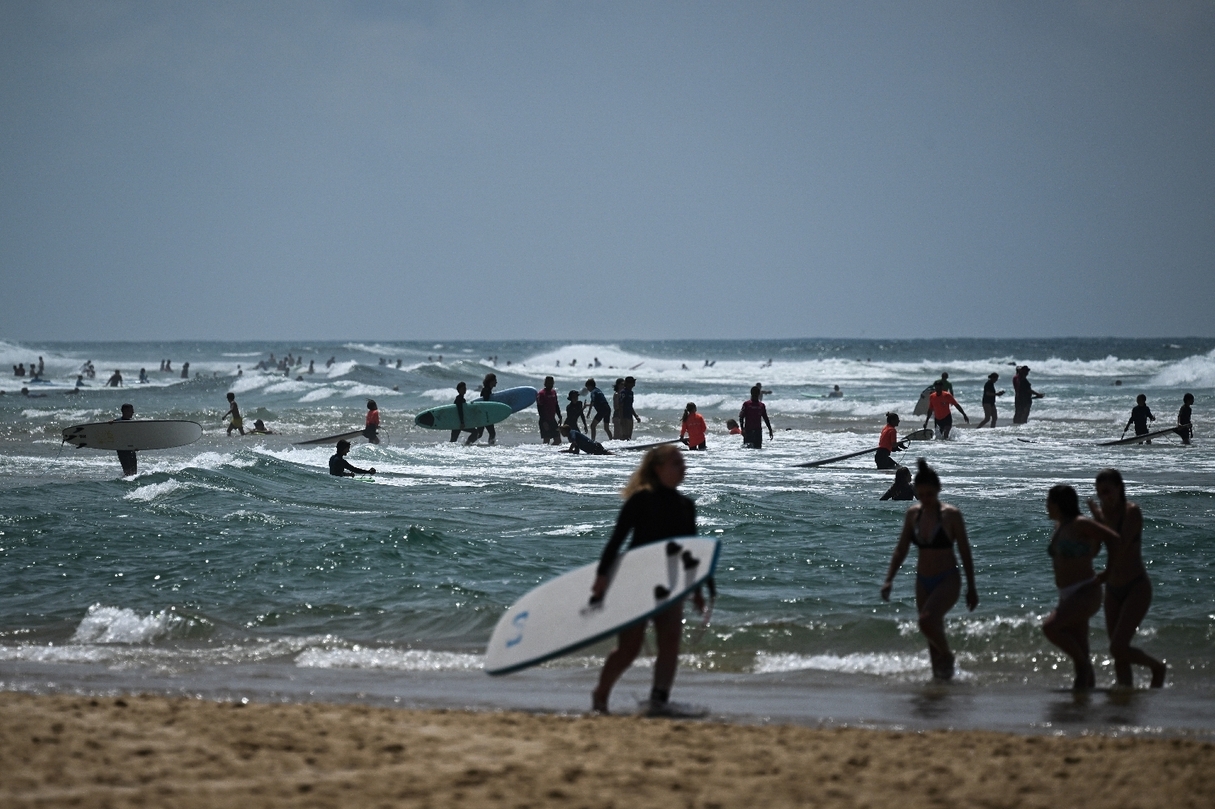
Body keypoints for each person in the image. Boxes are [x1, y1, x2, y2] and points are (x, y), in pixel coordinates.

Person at [591, 445, 704, 713]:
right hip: (635, 580)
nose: (683, 467)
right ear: (658, 468)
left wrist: (698, 588)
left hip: (668, 581)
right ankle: (601, 693)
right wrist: (602, 576)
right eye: (676, 463)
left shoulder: (685, 506)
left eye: (683, 462)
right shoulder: (641, 500)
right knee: (629, 648)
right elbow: (617, 540)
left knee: (670, 641)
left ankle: (658, 701)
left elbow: (692, 551)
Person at [880, 459, 978, 680]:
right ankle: (941, 681)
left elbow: (965, 552)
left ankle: (948, 656)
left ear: (938, 490)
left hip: (947, 579)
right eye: (921, 495)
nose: (925, 500)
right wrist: (889, 580)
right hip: (922, 580)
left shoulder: (952, 515)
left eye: (929, 495)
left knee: (926, 621)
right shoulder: (913, 515)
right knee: (932, 630)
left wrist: (972, 587)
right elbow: (901, 550)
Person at [1087, 469, 1167, 688]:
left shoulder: (1132, 512)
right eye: (1100, 493)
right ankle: (1124, 699)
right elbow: (1094, 551)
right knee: (1118, 653)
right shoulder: (1103, 515)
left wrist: (1099, 522)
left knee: (1118, 647)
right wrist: (1093, 527)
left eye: (1108, 491)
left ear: (1119, 488)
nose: (1104, 497)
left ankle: (1157, 668)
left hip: (1136, 587)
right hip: (1113, 589)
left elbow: (1119, 546)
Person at [1041, 484, 1120, 689]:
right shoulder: (1060, 526)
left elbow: (1113, 539)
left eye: (1048, 501)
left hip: (1086, 591)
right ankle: (1083, 704)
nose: (1046, 506)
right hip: (1067, 594)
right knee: (1081, 649)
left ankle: (1083, 666)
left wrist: (1108, 572)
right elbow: (1090, 551)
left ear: (1058, 504)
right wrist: (1100, 521)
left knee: (1050, 628)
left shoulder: (1079, 523)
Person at [469, 374, 498, 446]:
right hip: (485, 415)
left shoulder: (487, 390)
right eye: (495, 380)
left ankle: (467, 443)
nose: (496, 382)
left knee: (479, 433)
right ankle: (491, 446)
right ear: (491, 381)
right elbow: (485, 403)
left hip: (483, 415)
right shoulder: (486, 390)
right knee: (491, 433)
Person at [537, 377, 561, 445]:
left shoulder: (553, 392)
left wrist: (560, 416)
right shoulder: (541, 393)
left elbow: (556, 405)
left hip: (552, 419)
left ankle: (551, 453)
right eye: (549, 383)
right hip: (544, 420)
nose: (551, 384)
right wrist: (544, 421)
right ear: (545, 383)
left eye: (552, 382)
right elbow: (540, 408)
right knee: (546, 440)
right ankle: (545, 454)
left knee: (558, 440)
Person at [115, 403, 138, 476]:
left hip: (131, 448)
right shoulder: (116, 422)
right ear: (124, 411)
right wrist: (110, 424)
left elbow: (135, 436)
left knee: (134, 471)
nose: (133, 412)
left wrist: (137, 445)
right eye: (131, 411)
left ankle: (130, 482)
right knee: (127, 470)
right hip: (121, 449)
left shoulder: (133, 423)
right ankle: (126, 482)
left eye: (133, 411)